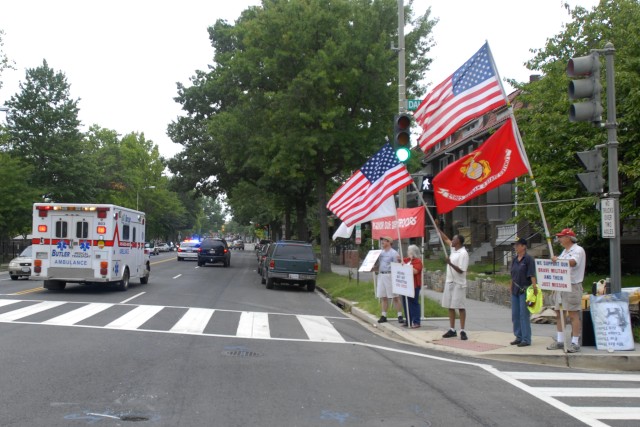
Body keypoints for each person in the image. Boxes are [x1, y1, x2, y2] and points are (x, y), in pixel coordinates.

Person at [547, 228, 586, 353]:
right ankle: (560, 340)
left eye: (561, 237)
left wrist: (558, 260)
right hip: (561, 286)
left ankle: (575, 342)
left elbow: (573, 263)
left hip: (572, 285)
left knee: (573, 314)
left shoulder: (578, 250)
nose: (559, 239)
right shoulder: (564, 251)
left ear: (569, 238)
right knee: (559, 314)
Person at [437, 224, 470, 340]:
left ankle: (462, 330)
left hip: (459, 283)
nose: (452, 240)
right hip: (449, 281)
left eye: (455, 238)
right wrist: (438, 228)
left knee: (460, 306)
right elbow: (445, 238)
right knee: (450, 306)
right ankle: (452, 329)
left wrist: (450, 263)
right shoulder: (453, 249)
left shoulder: (463, 253)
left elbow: (461, 270)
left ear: (459, 242)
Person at [510, 237, 538, 347]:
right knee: (515, 314)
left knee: (524, 314)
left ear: (523, 246)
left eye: (517, 245)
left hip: (525, 289)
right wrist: (511, 286)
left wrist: (535, 288)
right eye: (515, 245)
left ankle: (526, 338)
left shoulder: (528, 259)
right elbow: (512, 275)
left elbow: (532, 274)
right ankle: (518, 336)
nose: (515, 247)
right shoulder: (514, 259)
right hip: (515, 289)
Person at [375, 236, 403, 324]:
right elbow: (378, 264)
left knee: (395, 296)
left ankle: (400, 315)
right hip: (381, 275)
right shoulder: (380, 253)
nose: (382, 242)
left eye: (384, 240)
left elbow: (397, 265)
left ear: (389, 242)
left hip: (389, 275)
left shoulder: (394, 253)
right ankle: (383, 315)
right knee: (383, 296)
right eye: (382, 240)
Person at [401, 244, 424, 328]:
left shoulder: (418, 261)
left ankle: (416, 321)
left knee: (413, 303)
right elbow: (400, 261)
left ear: (412, 252)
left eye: (408, 250)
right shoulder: (408, 260)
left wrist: (406, 266)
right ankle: (408, 320)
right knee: (406, 303)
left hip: (414, 285)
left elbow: (415, 271)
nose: (407, 252)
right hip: (405, 284)